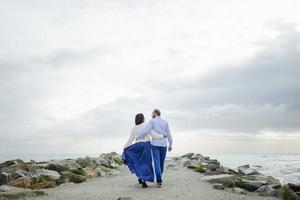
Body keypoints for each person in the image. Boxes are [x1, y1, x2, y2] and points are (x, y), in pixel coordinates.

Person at [122, 113, 165, 188]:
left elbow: (131, 139)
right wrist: (161, 136)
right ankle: (144, 181)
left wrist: (125, 147)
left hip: (138, 146)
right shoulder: (146, 125)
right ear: (142, 119)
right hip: (146, 146)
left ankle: (141, 178)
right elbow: (153, 135)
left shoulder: (134, 128)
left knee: (138, 162)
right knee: (146, 163)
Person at [136, 109, 173, 187]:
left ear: (155, 113)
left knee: (157, 162)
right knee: (161, 163)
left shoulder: (152, 121)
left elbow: (146, 130)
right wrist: (170, 144)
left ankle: (159, 180)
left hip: (155, 144)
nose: (151, 114)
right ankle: (159, 180)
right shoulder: (165, 122)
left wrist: (138, 136)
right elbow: (169, 133)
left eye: (152, 113)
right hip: (163, 145)